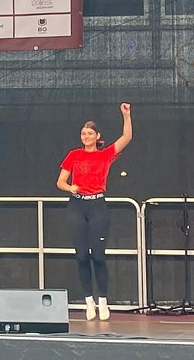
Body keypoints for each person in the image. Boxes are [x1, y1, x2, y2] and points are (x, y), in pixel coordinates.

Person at [56, 103, 132, 321]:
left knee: (98, 256)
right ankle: (88, 301)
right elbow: (60, 181)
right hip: (77, 206)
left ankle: (103, 300)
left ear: (97, 136)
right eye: (83, 133)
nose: (86, 136)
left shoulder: (105, 154)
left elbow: (126, 137)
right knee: (81, 256)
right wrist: (70, 187)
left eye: (90, 133)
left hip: (97, 205)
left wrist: (126, 115)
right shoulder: (74, 155)